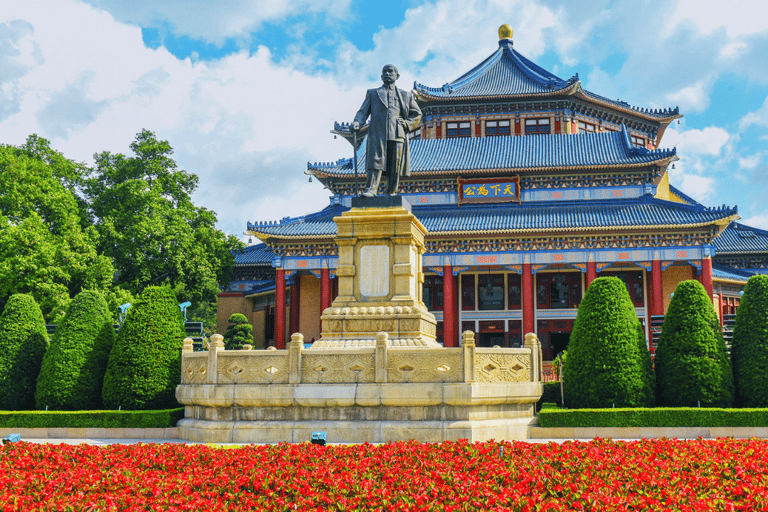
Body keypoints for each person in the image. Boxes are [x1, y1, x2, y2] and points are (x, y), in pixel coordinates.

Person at [351, 64, 422, 196]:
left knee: (395, 164)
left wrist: (407, 124)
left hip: (397, 133)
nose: (387, 74)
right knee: (375, 161)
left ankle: (392, 191)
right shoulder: (373, 93)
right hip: (378, 133)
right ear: (381, 76)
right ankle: (371, 190)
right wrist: (357, 123)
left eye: (391, 71)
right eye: (385, 72)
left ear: (397, 76)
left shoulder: (405, 95)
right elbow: (363, 111)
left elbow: (417, 114)